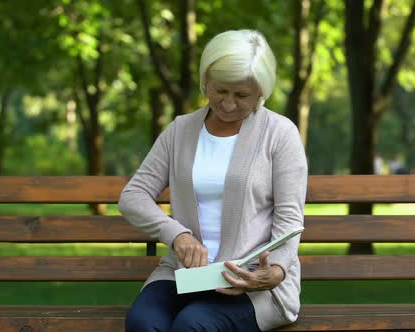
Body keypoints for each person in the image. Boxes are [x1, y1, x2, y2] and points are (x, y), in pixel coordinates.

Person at [119, 29, 307, 331]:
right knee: (143, 323)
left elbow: (290, 219)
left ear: (261, 91)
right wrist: (178, 235)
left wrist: (276, 271)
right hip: (183, 275)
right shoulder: (180, 130)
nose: (229, 104)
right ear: (205, 79)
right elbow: (133, 196)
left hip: (249, 281)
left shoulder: (280, 134)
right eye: (220, 90)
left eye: (242, 95)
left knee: (192, 325)